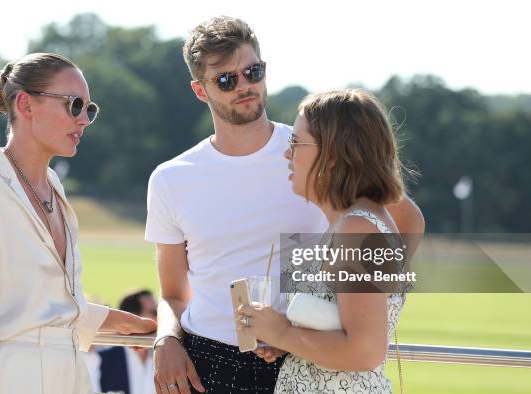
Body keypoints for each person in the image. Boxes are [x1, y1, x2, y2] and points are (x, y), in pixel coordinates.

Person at [146, 17, 424, 394]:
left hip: (304, 358)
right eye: (226, 80)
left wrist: (355, 313)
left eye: (252, 71)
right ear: (200, 90)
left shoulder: (317, 151)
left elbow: (405, 224)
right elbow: (174, 294)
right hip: (208, 362)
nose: (244, 85)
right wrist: (167, 340)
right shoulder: (171, 178)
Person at [0, 52, 156, 394]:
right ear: (25, 105)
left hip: (72, 379)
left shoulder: (55, 188)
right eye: (75, 104)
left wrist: (121, 321)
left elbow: (44, 307)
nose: (84, 119)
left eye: (89, 109)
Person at [237, 89, 420, 393]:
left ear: (333, 155)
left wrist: (282, 333)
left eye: (296, 143)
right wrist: (300, 340)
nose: (286, 153)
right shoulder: (352, 223)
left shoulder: (358, 230)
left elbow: (364, 351)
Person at [99, 289, 158, 394]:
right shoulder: (102, 361)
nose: (160, 318)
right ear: (133, 318)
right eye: (155, 312)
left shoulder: (166, 359)